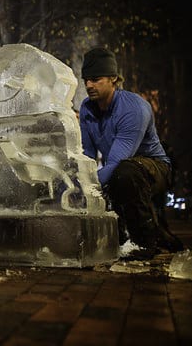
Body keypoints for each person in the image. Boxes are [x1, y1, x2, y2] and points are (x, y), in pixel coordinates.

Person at [79, 47, 183, 258]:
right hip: (122, 169)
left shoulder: (133, 109)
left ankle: (144, 244)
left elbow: (118, 160)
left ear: (113, 78)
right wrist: (77, 182)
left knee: (124, 173)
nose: (89, 85)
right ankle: (160, 237)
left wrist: (89, 186)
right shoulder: (87, 108)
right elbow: (87, 156)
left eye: (96, 79)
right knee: (113, 179)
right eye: (86, 79)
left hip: (155, 168)